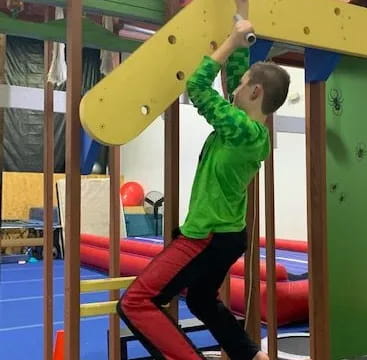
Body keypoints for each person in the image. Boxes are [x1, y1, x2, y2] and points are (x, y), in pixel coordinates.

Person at [117, 0, 290, 359]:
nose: (236, 89)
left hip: (208, 235)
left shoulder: (241, 129)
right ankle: (251, 355)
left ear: (256, 92)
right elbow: (237, 77)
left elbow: (197, 87)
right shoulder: (251, 130)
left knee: (136, 302)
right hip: (227, 234)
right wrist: (241, 45)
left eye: (242, 86)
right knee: (199, 299)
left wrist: (228, 41)